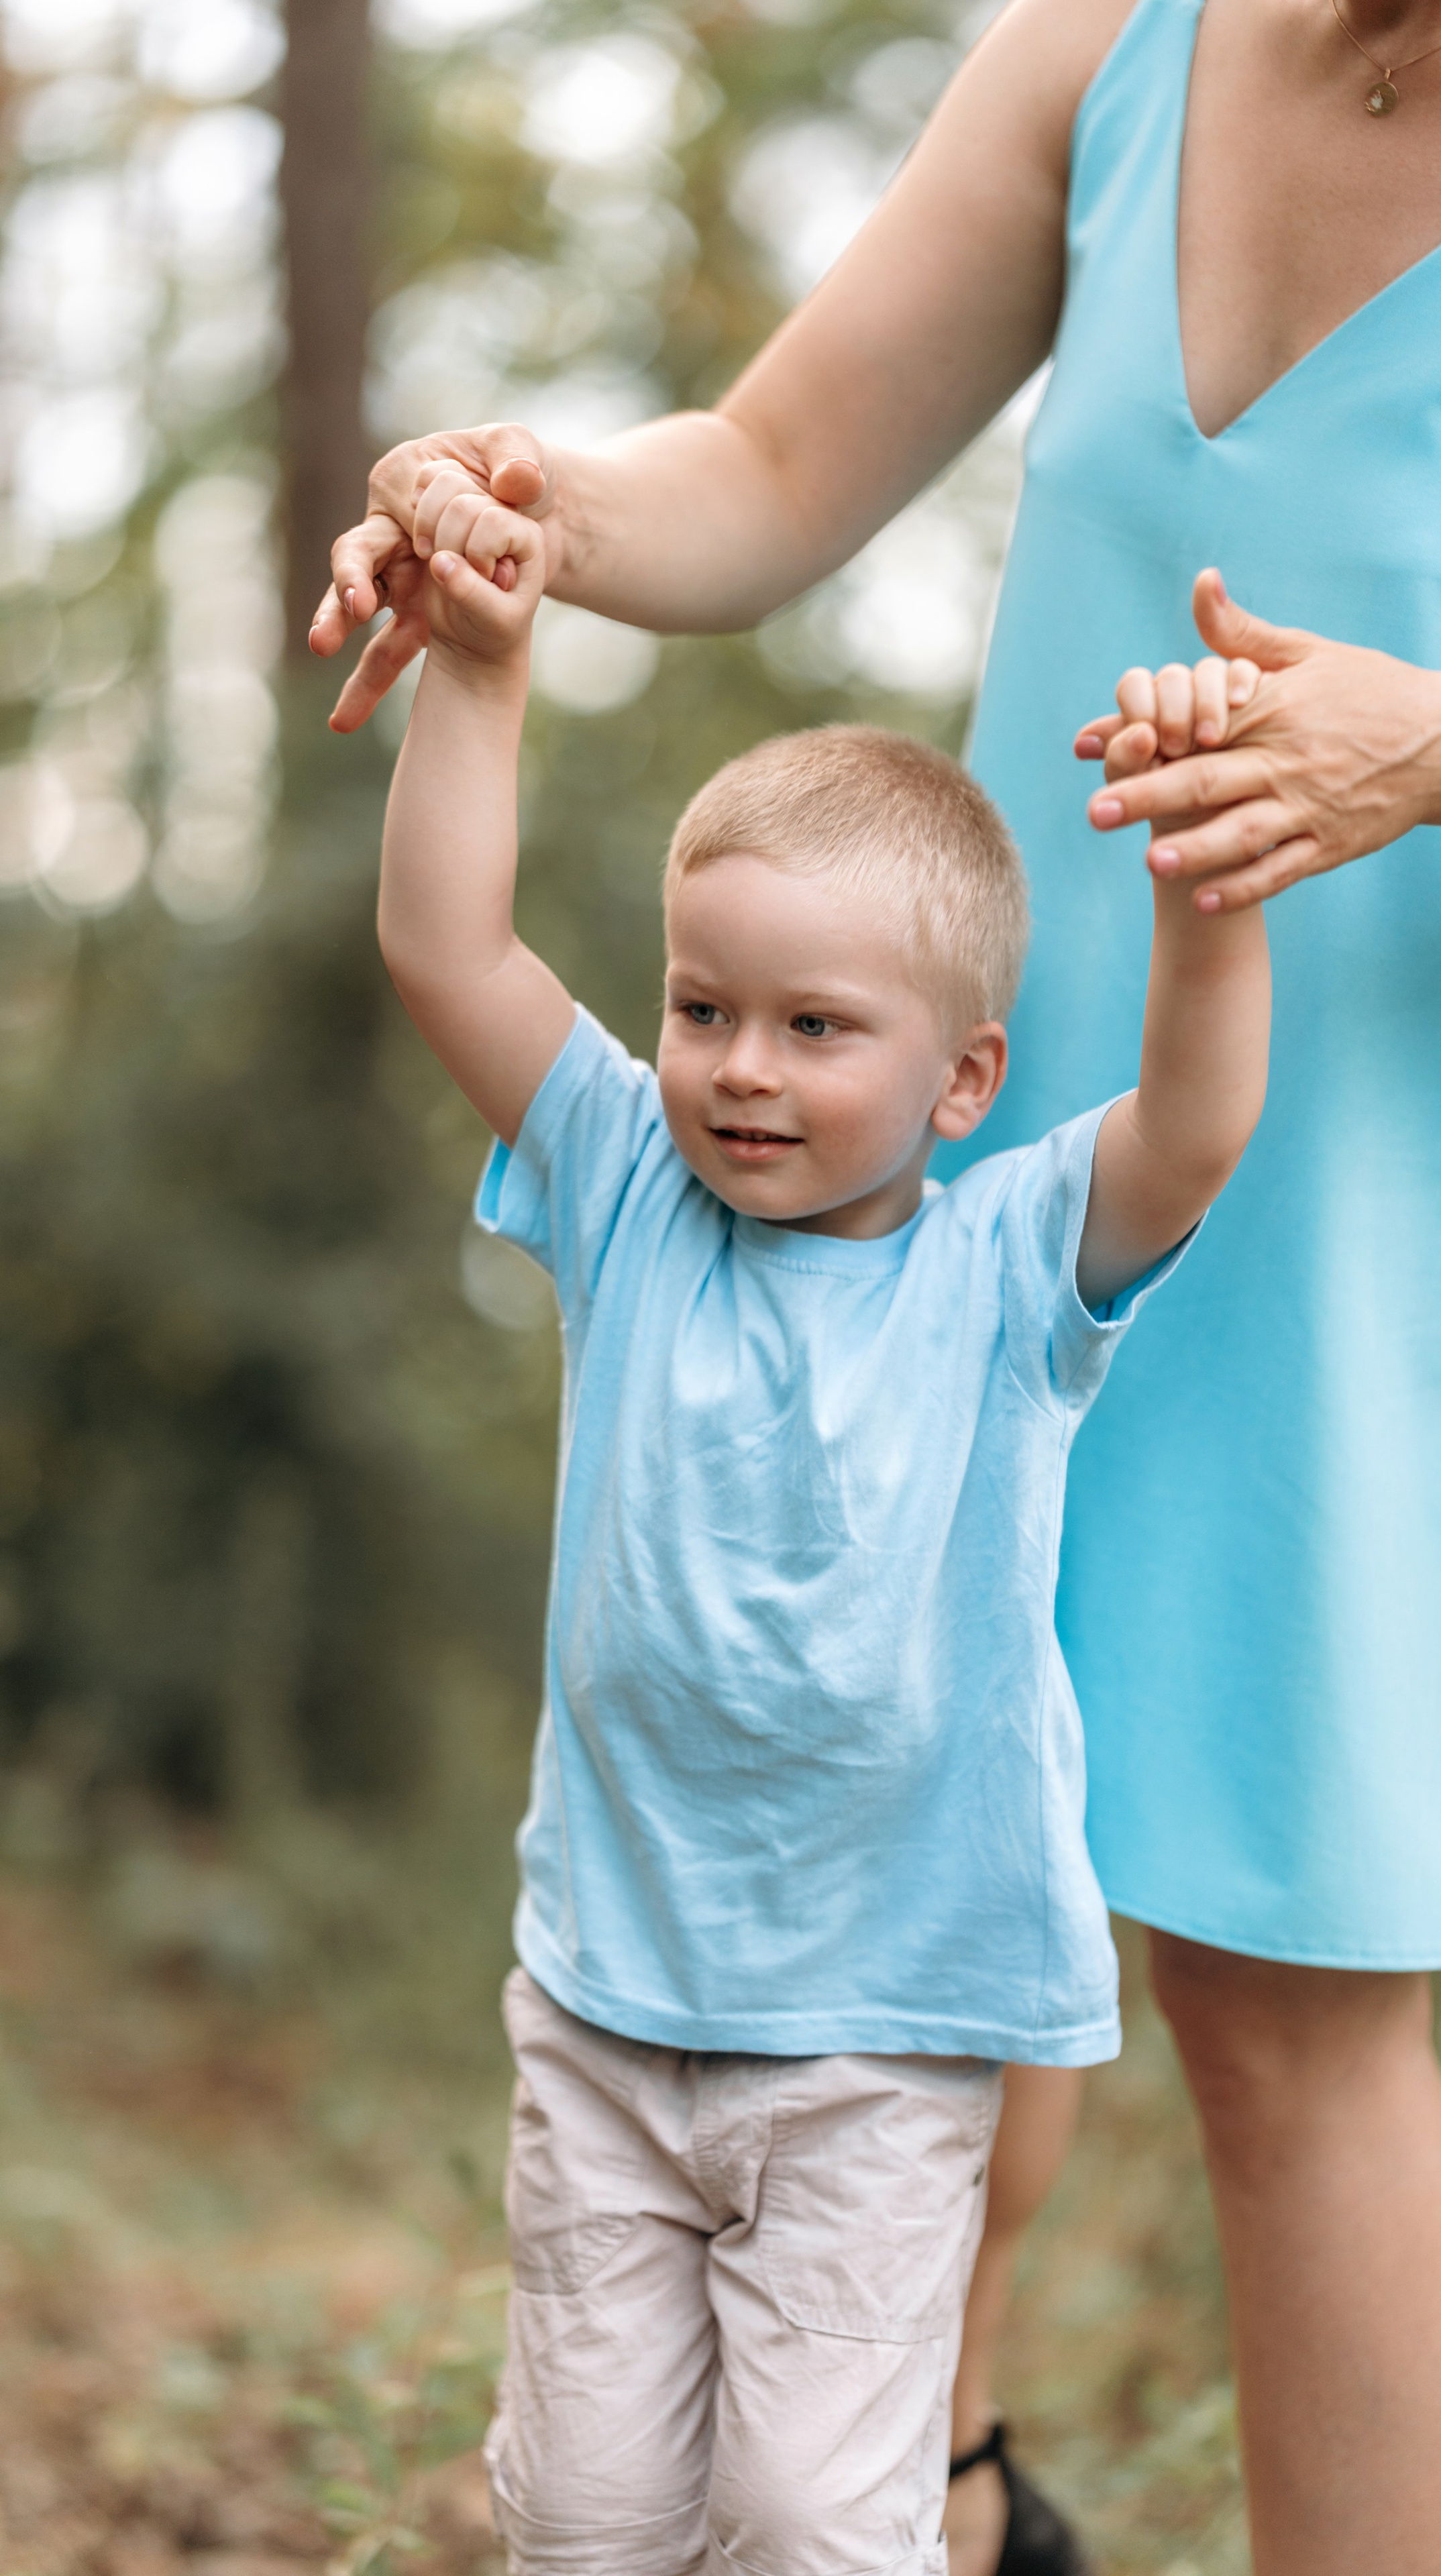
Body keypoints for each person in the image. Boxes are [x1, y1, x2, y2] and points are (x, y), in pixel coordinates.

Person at [313, 0, 1441, 2565]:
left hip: (1399, 1214)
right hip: (975, 1161)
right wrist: (529, 507)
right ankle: (926, 2499)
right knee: (924, 1857)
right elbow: (755, 474)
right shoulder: (1115, 41)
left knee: (1288, 2013)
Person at [370, 491, 1270, 2574]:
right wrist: (486, 671)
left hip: (884, 2034)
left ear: (963, 1079)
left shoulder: (1011, 1272)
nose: (737, 1072)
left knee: (809, 2516)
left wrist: (1215, 883)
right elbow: (447, 942)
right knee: (590, 2515)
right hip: (612, 2005)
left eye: (814, 1029)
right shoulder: (618, 1188)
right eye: (703, 1010)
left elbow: (1199, 1126)